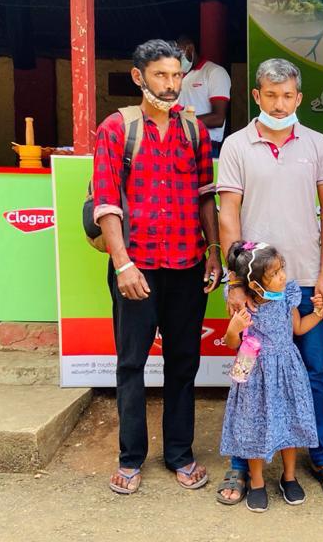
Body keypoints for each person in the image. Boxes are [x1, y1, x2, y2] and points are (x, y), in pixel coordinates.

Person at [215, 58, 323, 504]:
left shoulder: (317, 144)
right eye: (270, 95)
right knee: (247, 374)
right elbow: (228, 213)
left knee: (312, 372)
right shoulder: (236, 145)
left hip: (306, 279)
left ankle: (321, 455)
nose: (279, 103)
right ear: (256, 96)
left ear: (299, 98)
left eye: (287, 95)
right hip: (253, 284)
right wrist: (236, 281)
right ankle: (240, 465)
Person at [92, 39, 222, 495]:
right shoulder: (116, 128)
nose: (170, 86)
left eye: (176, 76)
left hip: (187, 265)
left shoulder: (195, 132)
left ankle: (180, 455)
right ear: (138, 77)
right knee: (131, 365)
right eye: (161, 76)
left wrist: (213, 251)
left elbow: (207, 195)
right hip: (137, 269)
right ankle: (130, 458)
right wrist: (123, 263)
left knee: (183, 363)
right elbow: (107, 204)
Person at [220, 241, 323, 512]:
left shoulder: (287, 296)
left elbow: (299, 328)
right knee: (253, 425)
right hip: (254, 374)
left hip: (287, 370)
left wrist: (319, 313)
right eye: (275, 273)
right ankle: (256, 482)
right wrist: (235, 327)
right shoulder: (242, 304)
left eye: (282, 269)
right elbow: (232, 343)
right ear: (255, 285)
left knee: (289, 421)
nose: (283, 276)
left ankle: (289, 476)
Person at [176, 34, 230, 157]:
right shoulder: (177, 76)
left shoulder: (215, 72)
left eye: (179, 54)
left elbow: (218, 118)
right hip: (178, 144)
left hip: (205, 145)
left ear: (189, 49)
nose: (177, 59)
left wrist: (180, 124)